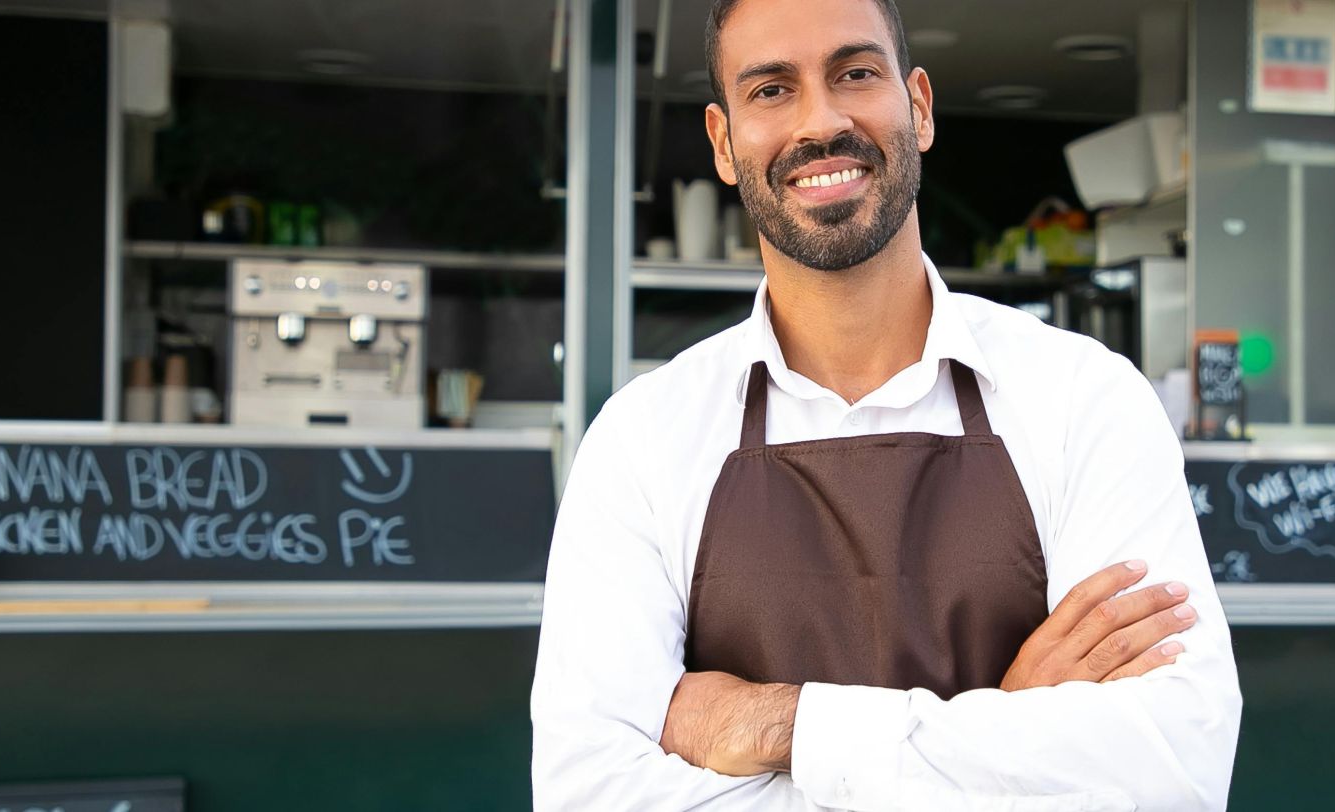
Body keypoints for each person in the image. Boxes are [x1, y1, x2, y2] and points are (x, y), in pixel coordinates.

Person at [530, 0, 1242, 807]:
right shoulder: (642, 439)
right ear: (725, 145)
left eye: (855, 74)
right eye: (770, 90)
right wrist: (1010, 726)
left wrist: (783, 726)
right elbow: (587, 791)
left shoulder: (1086, 400)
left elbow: (1173, 772)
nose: (821, 121)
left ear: (920, 107)